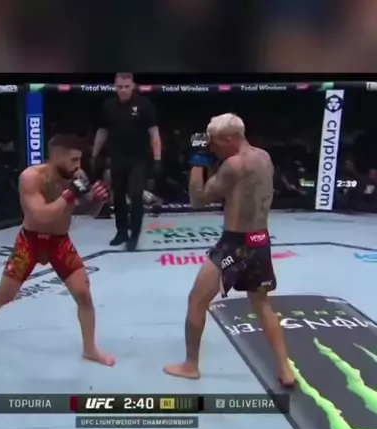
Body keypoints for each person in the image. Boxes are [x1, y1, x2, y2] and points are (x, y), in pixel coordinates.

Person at [164, 114, 295, 387]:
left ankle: (190, 366)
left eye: (214, 143)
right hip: (260, 240)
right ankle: (285, 369)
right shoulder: (264, 157)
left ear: (229, 139)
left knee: (196, 300)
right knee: (262, 304)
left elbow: (197, 199)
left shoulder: (233, 165)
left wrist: (198, 159)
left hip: (236, 245)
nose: (212, 148)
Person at [0, 134, 115, 367]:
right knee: (5, 294)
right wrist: (69, 194)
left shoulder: (77, 176)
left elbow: (87, 212)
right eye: (73, 160)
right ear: (57, 156)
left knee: (83, 292)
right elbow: (41, 215)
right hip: (31, 242)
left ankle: (90, 349)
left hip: (59, 242)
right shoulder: (31, 177)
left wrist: (98, 201)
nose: (78, 166)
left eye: (80, 160)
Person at [91, 72, 162, 250]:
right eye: (120, 87)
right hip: (117, 157)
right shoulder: (108, 105)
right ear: (115, 87)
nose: (123, 90)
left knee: (136, 194)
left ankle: (134, 234)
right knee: (118, 196)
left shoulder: (144, 104)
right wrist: (94, 154)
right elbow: (103, 131)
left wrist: (157, 158)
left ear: (133, 86)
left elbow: (154, 133)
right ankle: (121, 232)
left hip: (138, 158)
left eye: (126, 87)